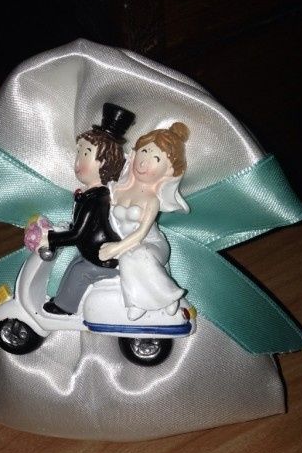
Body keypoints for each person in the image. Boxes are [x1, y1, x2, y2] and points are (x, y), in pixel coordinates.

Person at [41, 103, 135, 315]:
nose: (78, 161)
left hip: (103, 258)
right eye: (79, 153)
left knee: (80, 272)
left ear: (104, 163)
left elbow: (79, 233)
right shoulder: (90, 194)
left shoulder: (97, 199)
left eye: (86, 154)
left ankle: (65, 307)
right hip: (93, 252)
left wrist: (51, 239)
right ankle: (61, 301)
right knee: (75, 265)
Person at [99, 122, 190, 320]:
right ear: (134, 153)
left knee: (139, 253)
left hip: (152, 244)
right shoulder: (117, 189)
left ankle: (170, 297)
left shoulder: (152, 199)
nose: (144, 162)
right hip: (127, 247)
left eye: (156, 158)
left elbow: (141, 234)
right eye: (144, 151)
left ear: (168, 171)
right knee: (127, 257)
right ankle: (135, 302)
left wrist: (115, 248)